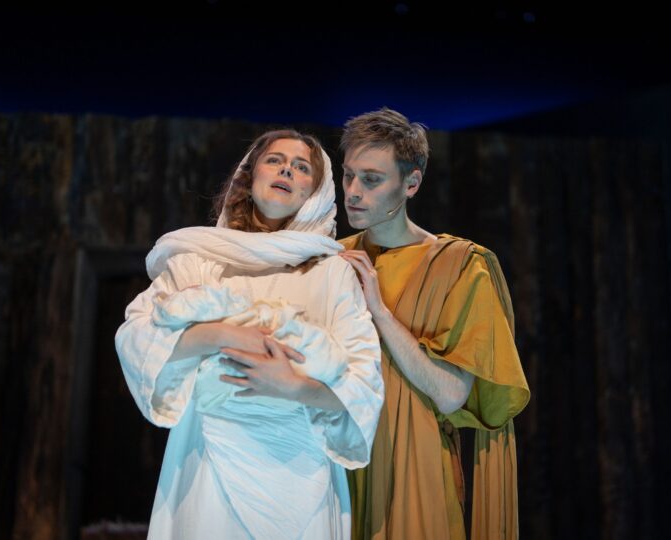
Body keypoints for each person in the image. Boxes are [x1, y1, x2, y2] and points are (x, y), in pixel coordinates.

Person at [115, 129, 384, 539]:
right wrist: (220, 335)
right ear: (250, 174)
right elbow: (138, 337)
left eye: (301, 167)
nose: (286, 170)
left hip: (300, 467)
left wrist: (294, 386)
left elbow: (363, 386)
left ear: (315, 191)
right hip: (207, 458)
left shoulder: (331, 272)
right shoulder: (201, 260)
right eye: (275, 160)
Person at [337, 108, 530, 539]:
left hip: (416, 469)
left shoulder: (460, 265)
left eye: (371, 179)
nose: (352, 192)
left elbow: (450, 394)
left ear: (411, 184)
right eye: (348, 175)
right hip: (341, 464)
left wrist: (380, 312)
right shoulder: (332, 257)